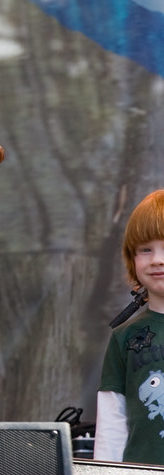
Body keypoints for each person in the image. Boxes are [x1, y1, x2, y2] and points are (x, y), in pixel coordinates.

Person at [95, 189, 164, 465]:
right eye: (145, 249)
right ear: (132, 259)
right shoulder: (124, 337)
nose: (157, 259)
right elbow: (111, 424)